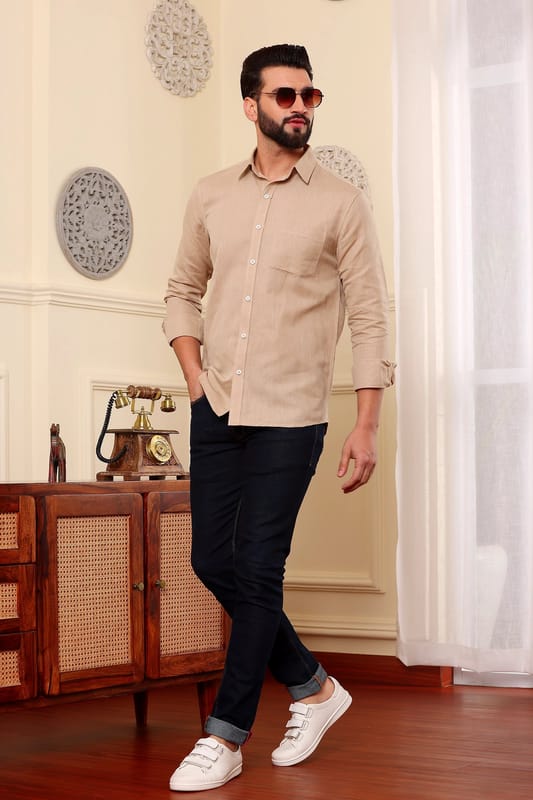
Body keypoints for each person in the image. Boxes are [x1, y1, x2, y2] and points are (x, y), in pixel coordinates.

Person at [162, 43, 395, 793]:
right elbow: (181, 290)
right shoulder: (210, 195)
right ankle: (314, 689)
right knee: (212, 561)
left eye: (308, 96)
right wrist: (195, 379)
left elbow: (369, 315)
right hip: (219, 405)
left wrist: (365, 424)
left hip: (293, 414)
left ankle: (225, 736)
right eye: (284, 95)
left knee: (258, 566)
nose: (299, 107)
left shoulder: (340, 203)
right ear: (250, 105)